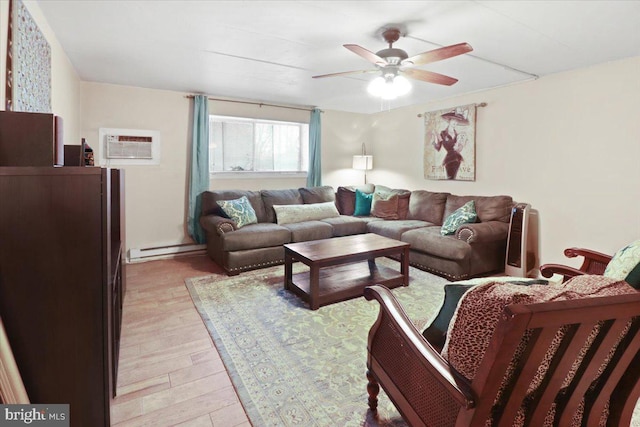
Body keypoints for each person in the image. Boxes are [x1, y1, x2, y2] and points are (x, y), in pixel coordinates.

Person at [431, 107, 469, 180]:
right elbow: (438, 147)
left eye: (457, 121)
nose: (455, 122)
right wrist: (436, 137)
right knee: (450, 177)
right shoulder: (443, 133)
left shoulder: (458, 135)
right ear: (449, 120)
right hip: (449, 159)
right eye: (454, 120)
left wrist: (461, 142)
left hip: (457, 159)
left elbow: (459, 149)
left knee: (453, 177)